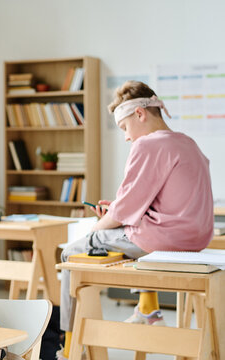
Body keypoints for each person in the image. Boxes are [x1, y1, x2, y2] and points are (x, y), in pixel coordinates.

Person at [57, 81, 213, 359]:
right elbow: (150, 202)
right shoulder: (188, 143)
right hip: (197, 238)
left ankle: (68, 347)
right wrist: (118, 210)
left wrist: (95, 229)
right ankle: (148, 310)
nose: (127, 137)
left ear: (140, 114)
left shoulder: (148, 145)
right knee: (131, 230)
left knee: (70, 252)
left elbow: (123, 211)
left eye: (124, 128)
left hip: (163, 240)